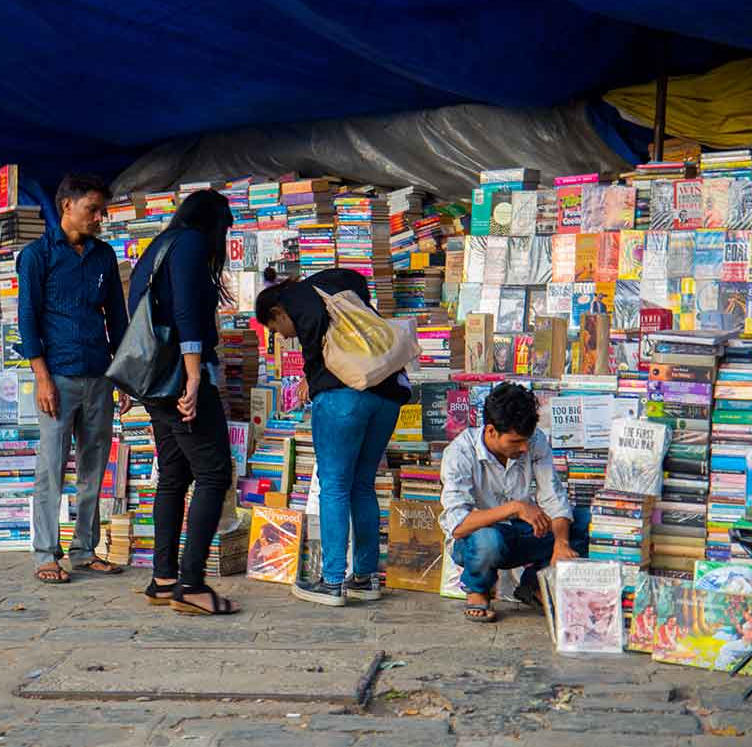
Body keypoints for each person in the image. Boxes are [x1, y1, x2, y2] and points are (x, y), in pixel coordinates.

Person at [256, 268, 410, 606]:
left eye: (276, 329)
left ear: (277, 312)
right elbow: (355, 278)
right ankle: (365, 578)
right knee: (362, 484)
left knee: (335, 486)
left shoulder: (297, 297)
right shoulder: (335, 290)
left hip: (343, 397)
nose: (282, 337)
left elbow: (309, 318)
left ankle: (332, 581)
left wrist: (312, 373)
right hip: (386, 394)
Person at [128, 189, 237, 615]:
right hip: (178, 378)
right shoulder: (190, 243)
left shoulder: (160, 244)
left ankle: (163, 577)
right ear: (215, 222)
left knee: (174, 474)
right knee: (213, 473)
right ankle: (191, 584)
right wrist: (193, 377)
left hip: (154, 379)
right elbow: (188, 312)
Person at [17, 173, 130, 584]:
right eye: (92, 209)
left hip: (99, 374)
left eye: (102, 210)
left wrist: (124, 376)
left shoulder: (104, 256)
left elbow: (117, 320)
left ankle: (85, 550)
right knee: (51, 468)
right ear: (67, 206)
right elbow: (27, 320)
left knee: (94, 466)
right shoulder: (36, 256)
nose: (99, 217)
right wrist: (42, 378)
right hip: (57, 378)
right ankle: (46, 553)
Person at [438, 382, 589, 623]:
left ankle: (534, 584)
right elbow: (458, 525)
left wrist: (561, 542)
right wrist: (516, 508)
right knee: (487, 540)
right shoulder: (459, 453)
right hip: (477, 541)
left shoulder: (534, 441)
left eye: (527, 440)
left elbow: (553, 496)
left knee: (584, 522)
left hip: (522, 533)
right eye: (515, 442)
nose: (524, 448)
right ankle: (478, 589)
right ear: (490, 432)